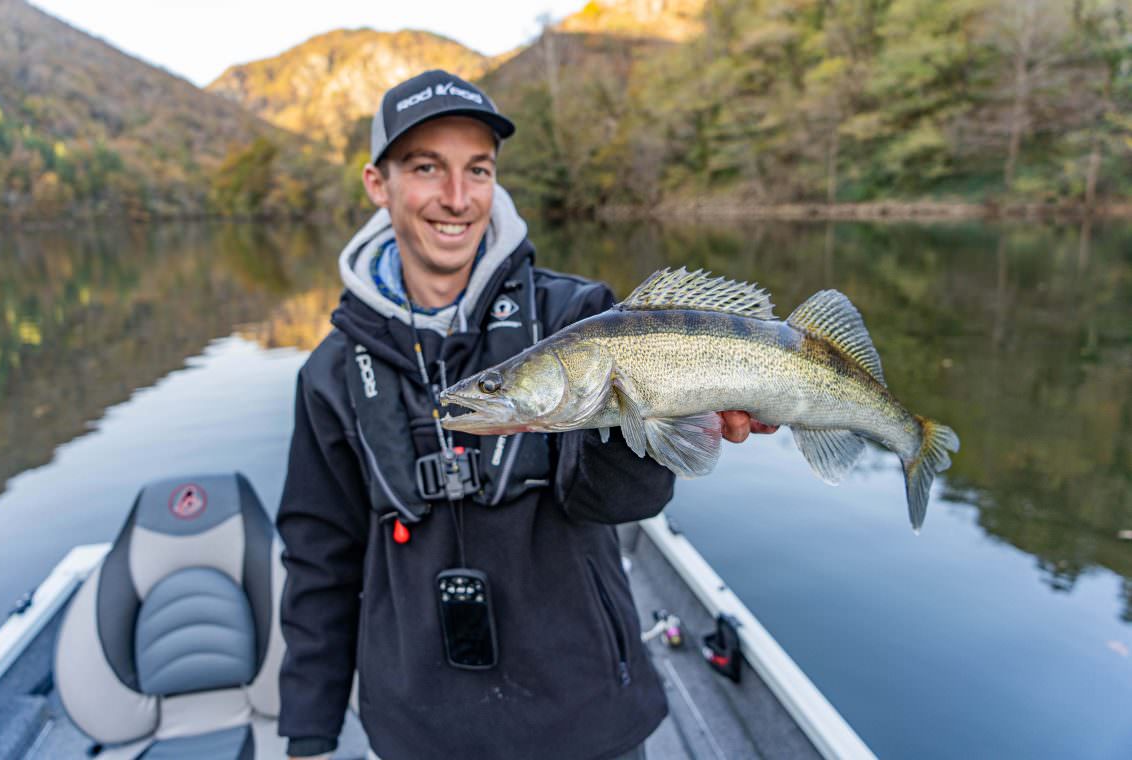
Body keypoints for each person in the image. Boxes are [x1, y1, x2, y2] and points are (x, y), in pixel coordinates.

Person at [275, 69, 775, 760]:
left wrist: (645, 419)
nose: (457, 198)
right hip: (419, 729)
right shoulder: (328, 374)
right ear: (377, 182)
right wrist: (309, 734)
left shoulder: (577, 316)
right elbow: (318, 562)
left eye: (477, 169)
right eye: (427, 167)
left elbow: (619, 501)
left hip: (583, 714)